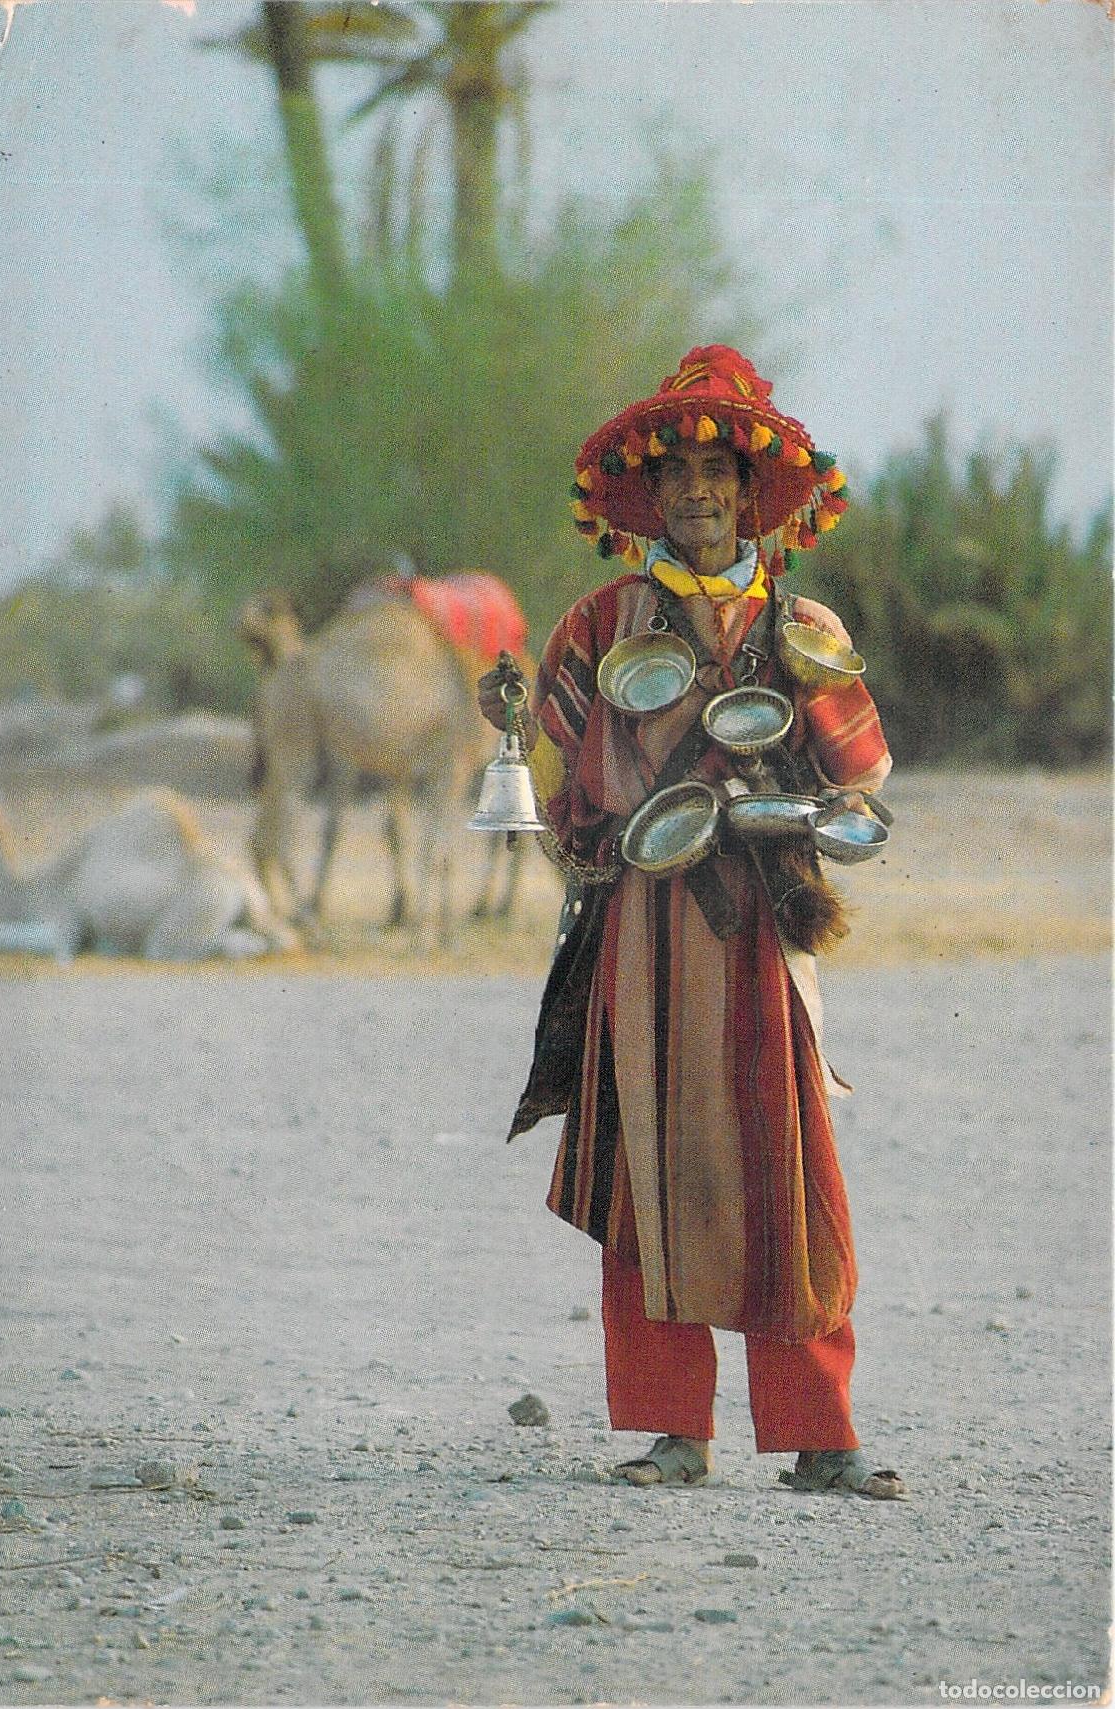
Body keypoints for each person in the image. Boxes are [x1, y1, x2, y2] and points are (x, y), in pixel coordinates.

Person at [478, 344, 906, 1498]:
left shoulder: (803, 625)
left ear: (751, 490)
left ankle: (822, 1435)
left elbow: (859, 778)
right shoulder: (602, 621)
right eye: (677, 476)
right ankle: (674, 1430)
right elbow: (566, 792)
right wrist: (587, 834)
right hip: (646, 934)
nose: (699, 494)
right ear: (652, 496)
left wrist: (807, 816)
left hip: (762, 931)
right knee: (645, 1177)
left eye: (719, 472)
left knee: (789, 1173)